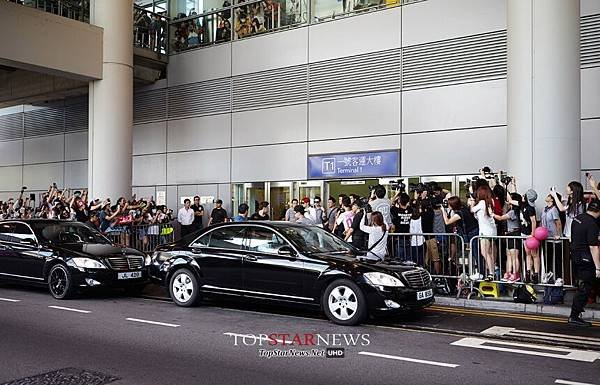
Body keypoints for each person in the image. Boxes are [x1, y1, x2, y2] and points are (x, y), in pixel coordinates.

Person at [568, 200, 600, 327]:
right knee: (585, 288)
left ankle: (576, 314)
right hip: (585, 258)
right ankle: (574, 316)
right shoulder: (592, 224)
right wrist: (598, 268)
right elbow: (593, 247)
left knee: (582, 286)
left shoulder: (578, 218)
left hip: (575, 256)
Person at [470, 184, 497, 280]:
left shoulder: (481, 203)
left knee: (485, 252)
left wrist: (472, 201)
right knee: (489, 252)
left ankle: (491, 273)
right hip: (492, 231)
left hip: (484, 231)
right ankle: (492, 271)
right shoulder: (491, 202)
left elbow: (472, 210)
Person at [494, 193, 523, 282]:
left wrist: (491, 214)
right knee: (509, 255)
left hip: (514, 233)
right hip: (510, 234)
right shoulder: (513, 210)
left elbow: (500, 218)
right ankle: (508, 272)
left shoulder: (513, 211)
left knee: (514, 256)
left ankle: (515, 273)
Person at [522, 189, 540, 283]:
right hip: (524, 234)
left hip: (531, 235)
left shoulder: (530, 208)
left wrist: (532, 235)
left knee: (534, 255)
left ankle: (536, 275)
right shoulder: (522, 204)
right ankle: (528, 274)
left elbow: (534, 221)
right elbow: (510, 200)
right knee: (528, 254)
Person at [390, 192, 412, 261]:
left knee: (399, 259)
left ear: (399, 201)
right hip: (408, 237)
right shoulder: (410, 210)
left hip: (399, 238)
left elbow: (389, 204)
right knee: (408, 259)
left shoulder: (396, 210)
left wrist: (396, 194)